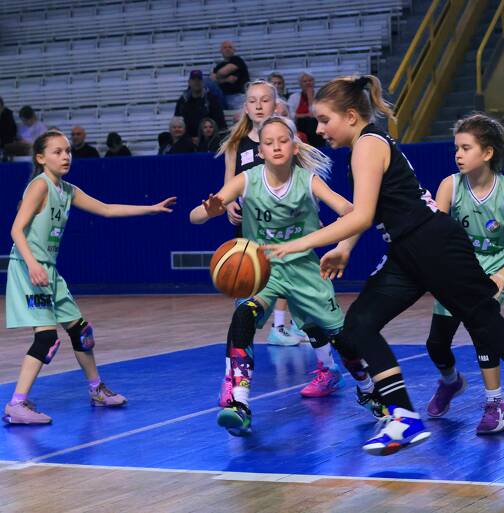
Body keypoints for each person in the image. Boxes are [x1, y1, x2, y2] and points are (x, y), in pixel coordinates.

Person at [266, 75, 504, 455]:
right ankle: (403, 416)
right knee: (359, 325)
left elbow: (361, 215)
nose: (318, 129)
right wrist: (345, 248)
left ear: (350, 116)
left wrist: (299, 243)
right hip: (407, 250)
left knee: (487, 325)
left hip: (434, 244)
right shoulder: (365, 145)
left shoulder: (367, 145)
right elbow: (368, 211)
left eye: (324, 120)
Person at [190, 115, 377, 435]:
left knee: (342, 338)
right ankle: (239, 402)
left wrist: (342, 245)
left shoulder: (308, 180)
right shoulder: (247, 179)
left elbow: (352, 212)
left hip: (304, 268)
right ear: (260, 151)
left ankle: (368, 388)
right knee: (243, 317)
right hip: (263, 269)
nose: (276, 146)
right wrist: (209, 211)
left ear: (295, 146)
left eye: (282, 140)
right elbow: (194, 217)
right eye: (269, 142)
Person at [3, 130, 176, 425]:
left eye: (68, 151)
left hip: (49, 270)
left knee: (81, 332)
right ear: (41, 158)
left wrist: (150, 209)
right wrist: (32, 265)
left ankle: (96, 390)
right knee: (46, 337)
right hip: (28, 268)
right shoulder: (40, 185)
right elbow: (16, 230)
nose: (65, 156)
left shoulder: (67, 190)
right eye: (57, 152)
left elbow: (106, 209)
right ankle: (16, 404)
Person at [425, 113, 504, 434]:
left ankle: (495, 404)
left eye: (466, 148)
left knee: (483, 332)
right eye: (456, 148)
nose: (458, 154)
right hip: (459, 268)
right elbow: (435, 237)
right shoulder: (450, 186)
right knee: (436, 343)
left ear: (487, 153)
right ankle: (450, 381)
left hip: (494, 269)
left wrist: (502, 276)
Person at [217, 80, 304, 345]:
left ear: (275, 105)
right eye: (252, 101)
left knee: (288, 275)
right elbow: (228, 184)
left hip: (282, 223)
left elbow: (300, 180)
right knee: (247, 280)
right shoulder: (236, 143)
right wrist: (228, 204)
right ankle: (244, 335)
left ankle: (283, 327)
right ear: (245, 107)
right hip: (250, 225)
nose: (258, 106)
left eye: (264, 100)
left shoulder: (285, 141)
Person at [175, 70, 227, 141]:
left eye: (199, 80)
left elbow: (220, 122)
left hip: (209, 138)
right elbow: (177, 121)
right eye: (194, 80)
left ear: (203, 82)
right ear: (189, 82)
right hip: (188, 140)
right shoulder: (183, 101)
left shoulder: (212, 99)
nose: (196, 82)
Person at [287, 72, 324, 148]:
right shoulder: (293, 97)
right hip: (300, 125)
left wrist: (310, 97)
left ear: (314, 82)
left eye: (310, 80)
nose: (308, 83)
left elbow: (314, 113)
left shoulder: (321, 95)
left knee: (312, 121)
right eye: (305, 81)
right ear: (300, 84)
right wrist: (306, 115)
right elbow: (290, 114)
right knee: (307, 121)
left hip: (316, 124)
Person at [211, 41, 250, 111]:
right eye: (225, 47)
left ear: (234, 50)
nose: (227, 49)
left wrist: (218, 77)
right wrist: (226, 80)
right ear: (221, 51)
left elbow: (222, 73)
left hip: (238, 96)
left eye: (230, 47)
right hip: (222, 97)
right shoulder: (219, 65)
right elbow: (212, 79)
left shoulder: (237, 60)